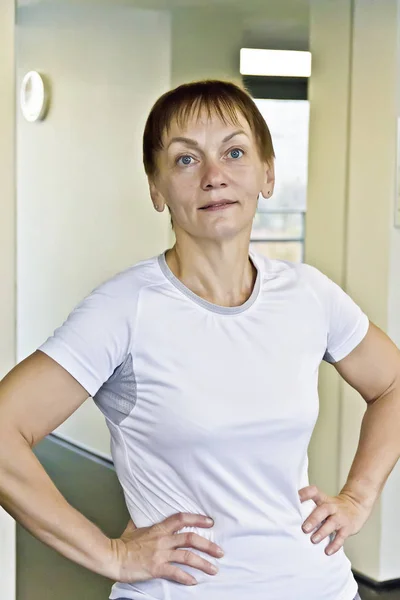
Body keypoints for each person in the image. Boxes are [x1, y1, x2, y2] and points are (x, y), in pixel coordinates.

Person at [1, 79, 400, 600]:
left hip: (318, 586)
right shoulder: (126, 308)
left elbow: (391, 383)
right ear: (156, 188)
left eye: (234, 153)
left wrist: (358, 496)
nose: (214, 177)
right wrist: (111, 554)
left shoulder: (309, 295)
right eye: (186, 160)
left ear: (267, 173)